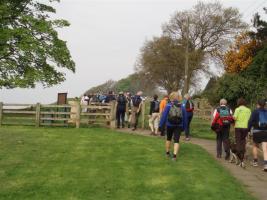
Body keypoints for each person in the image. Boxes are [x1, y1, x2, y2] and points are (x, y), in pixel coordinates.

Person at [159, 92, 188, 161]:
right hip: (179, 125)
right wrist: (184, 127)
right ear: (179, 98)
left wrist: (160, 125)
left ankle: (167, 153)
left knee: (168, 139)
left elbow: (164, 116)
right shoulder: (182, 106)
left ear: (171, 97)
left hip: (169, 125)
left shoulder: (168, 105)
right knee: (176, 140)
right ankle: (174, 156)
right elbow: (185, 118)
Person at [248, 99, 267, 171]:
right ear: (265, 105)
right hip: (265, 132)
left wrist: (248, 130)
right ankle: (266, 165)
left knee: (255, 146)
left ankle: (255, 162)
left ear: (258, 104)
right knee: (265, 149)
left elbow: (250, 122)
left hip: (257, 132)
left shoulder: (255, 112)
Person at [233, 98, 251, 168]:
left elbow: (234, 118)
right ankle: (242, 155)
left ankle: (239, 156)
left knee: (238, 141)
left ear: (239, 103)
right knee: (243, 141)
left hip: (238, 127)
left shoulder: (237, 109)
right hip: (245, 127)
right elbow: (249, 119)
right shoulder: (248, 110)